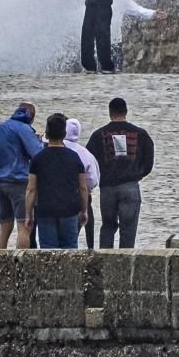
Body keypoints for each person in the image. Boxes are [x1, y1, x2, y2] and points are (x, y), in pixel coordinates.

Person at [89, 96, 155, 249]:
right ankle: (126, 265)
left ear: (110, 113)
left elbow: (89, 162)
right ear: (126, 112)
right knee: (129, 230)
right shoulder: (141, 134)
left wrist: (101, 177)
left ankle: (105, 263)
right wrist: (138, 174)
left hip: (107, 188)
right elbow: (149, 162)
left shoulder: (98, 135)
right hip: (131, 186)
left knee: (107, 227)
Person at [25, 113, 89, 250]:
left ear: (46, 134)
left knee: (48, 251)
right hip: (69, 210)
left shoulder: (38, 159)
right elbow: (83, 187)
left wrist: (28, 214)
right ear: (64, 133)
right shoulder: (74, 157)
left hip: (45, 211)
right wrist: (84, 210)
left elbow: (31, 189)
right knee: (70, 250)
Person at [0, 100, 42, 249]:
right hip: (18, 180)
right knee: (24, 226)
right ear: (31, 116)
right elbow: (37, 154)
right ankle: (20, 267)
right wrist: (39, 142)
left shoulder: (1, 127)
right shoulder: (25, 129)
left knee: (5, 227)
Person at [64, 118, 101, 248]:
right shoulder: (86, 153)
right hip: (83, 195)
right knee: (87, 222)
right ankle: (91, 248)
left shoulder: (52, 147)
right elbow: (94, 179)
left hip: (60, 195)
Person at [110, 0, 169, 72]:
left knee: (115, 74)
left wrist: (153, 13)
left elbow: (137, 9)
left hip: (114, 43)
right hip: (96, 44)